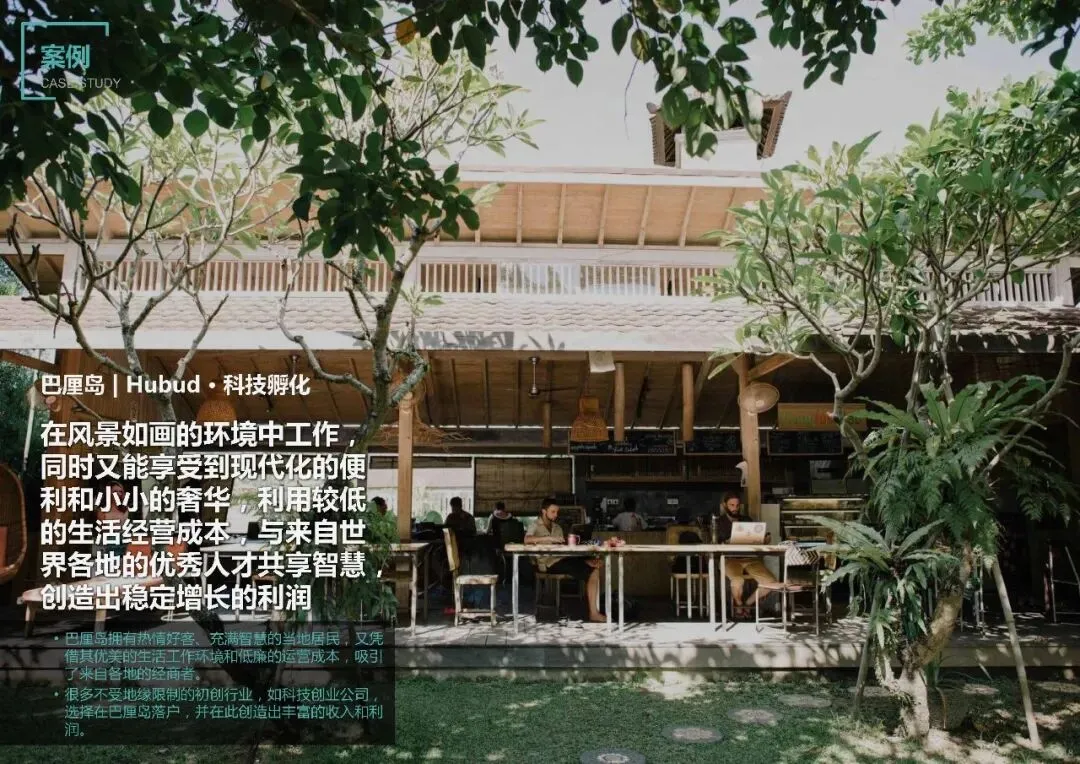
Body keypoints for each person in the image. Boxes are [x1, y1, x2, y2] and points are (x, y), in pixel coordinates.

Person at [525, 497, 606, 623]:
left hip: (561, 559)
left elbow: (562, 548)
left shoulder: (557, 527)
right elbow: (527, 539)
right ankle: (593, 613)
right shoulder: (535, 525)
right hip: (547, 564)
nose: (556, 515)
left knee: (594, 567)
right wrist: (548, 539)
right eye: (553, 512)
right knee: (591, 567)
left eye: (557, 512)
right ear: (544, 511)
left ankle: (594, 613)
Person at [716, 492, 776, 619]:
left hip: (750, 558)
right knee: (737, 580)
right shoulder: (719, 522)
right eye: (732, 505)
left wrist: (764, 539)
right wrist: (726, 542)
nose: (735, 508)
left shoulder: (747, 520)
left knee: (771, 582)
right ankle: (739, 605)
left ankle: (747, 604)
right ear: (725, 505)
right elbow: (716, 543)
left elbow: (755, 537)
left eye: (737, 505)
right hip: (729, 559)